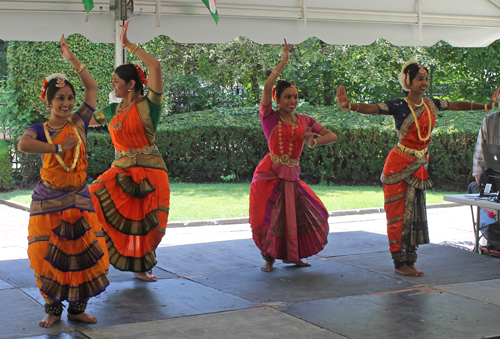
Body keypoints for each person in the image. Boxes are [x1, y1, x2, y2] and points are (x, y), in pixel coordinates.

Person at [336, 59, 499, 277]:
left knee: (413, 214)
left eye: (426, 79)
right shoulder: (399, 106)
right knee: (397, 214)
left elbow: (457, 104)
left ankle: (409, 259)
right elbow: (373, 108)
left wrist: (485, 107)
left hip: (418, 165)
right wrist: (350, 106)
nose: (424, 82)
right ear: (408, 82)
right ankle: (398, 261)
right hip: (398, 166)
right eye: (419, 79)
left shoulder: (431, 104)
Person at [18, 35, 110, 328]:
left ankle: (77, 310)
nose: (67, 103)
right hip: (49, 201)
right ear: (48, 101)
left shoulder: (80, 121)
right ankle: (53, 311)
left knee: (81, 256)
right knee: (46, 256)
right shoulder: (40, 129)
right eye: (60, 98)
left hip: (78, 199)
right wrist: (59, 148)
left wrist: (73, 61)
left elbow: (92, 88)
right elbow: (23, 145)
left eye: (70, 98)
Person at [89, 20, 169, 282]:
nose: (113, 85)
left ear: (131, 84)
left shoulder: (149, 106)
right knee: (92, 197)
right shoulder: (112, 111)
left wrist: (128, 45)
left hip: (151, 172)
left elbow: (154, 66)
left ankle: (143, 266)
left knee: (150, 225)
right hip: (121, 171)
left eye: (116, 81)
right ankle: (95, 255)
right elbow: (84, 118)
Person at [250, 40, 338, 272]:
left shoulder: (304, 120)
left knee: (296, 215)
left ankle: (293, 255)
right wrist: (284, 61)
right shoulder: (269, 116)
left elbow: (332, 135)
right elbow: (267, 88)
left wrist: (313, 141)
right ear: (278, 99)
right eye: (287, 97)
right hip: (270, 173)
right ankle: (269, 257)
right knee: (269, 217)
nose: (292, 101)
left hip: (292, 174)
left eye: (295, 97)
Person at [472, 109, 500, 242]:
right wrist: (489, 204)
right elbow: (479, 159)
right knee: (490, 229)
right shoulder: (490, 121)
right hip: (494, 186)